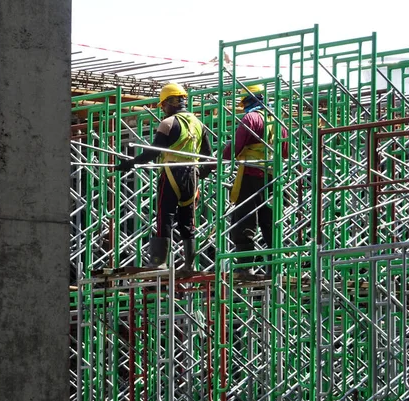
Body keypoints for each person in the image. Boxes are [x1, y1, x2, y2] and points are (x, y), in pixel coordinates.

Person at [115, 83, 213, 271]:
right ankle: (189, 264)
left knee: (165, 215)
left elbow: (152, 153)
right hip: (192, 174)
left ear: (169, 103)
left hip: (171, 173)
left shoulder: (168, 123)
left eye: (163, 106)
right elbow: (208, 155)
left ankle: (159, 261)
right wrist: (201, 173)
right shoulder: (199, 124)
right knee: (188, 220)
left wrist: (130, 163)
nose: (163, 110)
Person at [223, 84, 288, 279]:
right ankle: (274, 267)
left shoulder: (250, 118)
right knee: (270, 221)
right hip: (272, 177)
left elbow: (236, 146)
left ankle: (245, 266)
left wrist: (218, 161)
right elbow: (284, 152)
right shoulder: (279, 123)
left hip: (250, 176)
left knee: (243, 219)